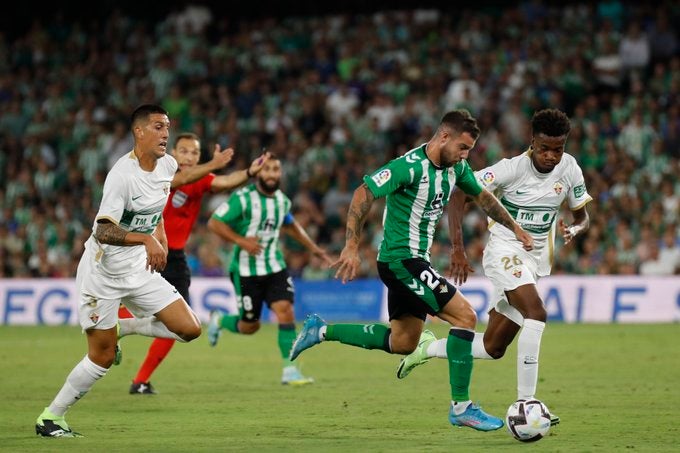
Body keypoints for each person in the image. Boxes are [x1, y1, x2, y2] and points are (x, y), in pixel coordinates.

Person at [289, 110, 533, 431]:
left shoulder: (456, 168)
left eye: (469, 151)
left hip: (414, 262)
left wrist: (515, 228)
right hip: (401, 260)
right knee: (465, 317)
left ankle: (319, 331)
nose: (465, 155)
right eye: (462, 147)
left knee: (403, 342)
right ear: (443, 137)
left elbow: (483, 198)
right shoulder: (408, 167)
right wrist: (351, 245)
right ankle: (461, 406)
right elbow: (364, 192)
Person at [397, 109, 592, 426]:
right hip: (504, 250)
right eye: (544, 148)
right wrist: (458, 247)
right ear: (532, 141)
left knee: (493, 347)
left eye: (558, 149)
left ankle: (427, 348)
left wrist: (576, 228)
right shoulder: (510, 170)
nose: (551, 156)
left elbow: (583, 215)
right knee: (537, 313)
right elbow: (460, 193)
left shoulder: (569, 169)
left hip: (535, 261)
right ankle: (527, 404)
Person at [35, 105, 203, 437]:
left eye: (167, 127)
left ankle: (126, 326)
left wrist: (161, 237)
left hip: (138, 270)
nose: (165, 134)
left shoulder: (167, 165)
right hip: (103, 274)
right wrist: (146, 239)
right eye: (158, 127)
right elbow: (103, 230)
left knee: (190, 329)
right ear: (139, 132)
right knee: (102, 357)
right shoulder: (121, 176)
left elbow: (155, 210)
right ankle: (51, 417)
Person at [118, 132, 270, 395]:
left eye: (194, 153)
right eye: (184, 151)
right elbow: (184, 178)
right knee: (133, 302)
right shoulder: (161, 171)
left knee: (179, 324)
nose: (189, 157)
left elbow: (223, 182)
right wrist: (213, 164)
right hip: (147, 249)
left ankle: (139, 377)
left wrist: (249, 172)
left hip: (175, 258)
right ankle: (114, 329)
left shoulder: (200, 180)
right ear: (174, 153)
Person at [206, 154, 333, 385]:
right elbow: (214, 222)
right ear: (258, 172)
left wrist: (315, 249)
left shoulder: (282, 201)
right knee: (249, 326)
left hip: (275, 266)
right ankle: (219, 320)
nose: (272, 174)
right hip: (245, 271)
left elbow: (291, 226)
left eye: (276, 169)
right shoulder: (242, 198)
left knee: (285, 310)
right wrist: (241, 241)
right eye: (267, 170)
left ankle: (289, 370)